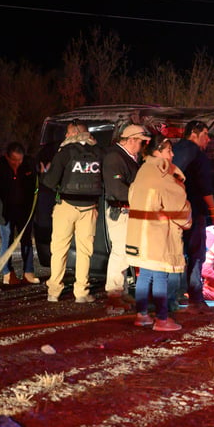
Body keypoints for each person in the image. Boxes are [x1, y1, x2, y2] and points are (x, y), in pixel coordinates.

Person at [126, 133, 192, 331]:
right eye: (168, 150)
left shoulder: (144, 170)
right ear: (157, 152)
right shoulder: (162, 174)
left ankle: (142, 315)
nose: (172, 155)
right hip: (156, 234)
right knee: (161, 274)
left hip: (140, 232)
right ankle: (162, 319)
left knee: (145, 275)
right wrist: (188, 213)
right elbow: (178, 204)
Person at [42, 120, 104, 303]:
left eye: (68, 133)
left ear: (75, 133)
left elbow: (50, 182)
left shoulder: (65, 153)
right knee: (85, 252)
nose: (65, 137)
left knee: (59, 250)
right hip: (90, 208)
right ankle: (81, 292)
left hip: (66, 207)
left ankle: (54, 291)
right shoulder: (99, 152)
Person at [171, 120, 214, 314]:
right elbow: (205, 188)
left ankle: (172, 298)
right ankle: (196, 299)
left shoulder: (173, 151)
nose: (208, 139)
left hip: (173, 211)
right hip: (194, 211)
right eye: (206, 134)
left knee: (175, 253)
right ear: (194, 133)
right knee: (196, 254)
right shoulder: (197, 154)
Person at [102, 123, 149, 310]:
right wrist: (139, 197)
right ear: (131, 140)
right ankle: (113, 293)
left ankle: (121, 291)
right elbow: (117, 188)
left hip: (129, 210)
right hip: (120, 211)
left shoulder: (129, 157)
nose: (143, 146)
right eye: (141, 142)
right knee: (120, 251)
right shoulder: (115, 157)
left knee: (126, 253)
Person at [0, 142, 39, 285]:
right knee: (7, 243)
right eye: (14, 160)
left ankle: (28, 272)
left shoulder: (29, 164)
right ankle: (8, 273)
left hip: (24, 210)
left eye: (20, 160)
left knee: (27, 241)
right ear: (7, 156)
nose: (17, 163)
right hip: (4, 212)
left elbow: (35, 183)